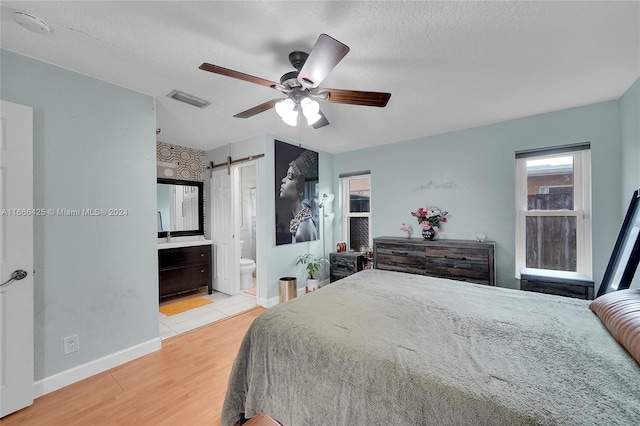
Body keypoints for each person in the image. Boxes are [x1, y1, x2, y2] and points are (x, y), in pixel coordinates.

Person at [279, 150, 318, 243]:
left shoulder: (303, 228)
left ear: (300, 189)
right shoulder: (301, 223)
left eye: (290, 177)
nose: (283, 180)